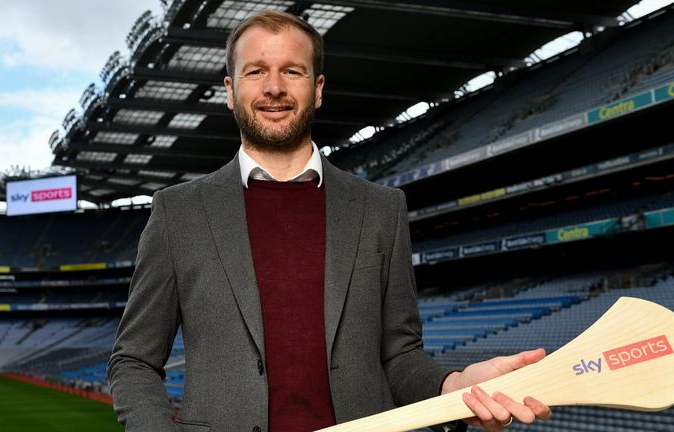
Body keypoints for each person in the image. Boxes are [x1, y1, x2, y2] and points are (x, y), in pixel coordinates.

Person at [108, 10, 552, 432]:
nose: (274, 87)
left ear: (318, 88)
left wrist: (452, 388)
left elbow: (400, 355)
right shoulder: (178, 212)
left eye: (292, 71)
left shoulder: (381, 209)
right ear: (230, 89)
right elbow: (134, 360)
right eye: (256, 71)